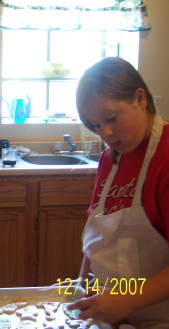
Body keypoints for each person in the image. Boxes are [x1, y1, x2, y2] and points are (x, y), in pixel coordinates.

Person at [67, 57, 169, 327]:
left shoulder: (165, 156)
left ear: (140, 98)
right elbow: (99, 235)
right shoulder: (110, 158)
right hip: (112, 317)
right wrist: (82, 285)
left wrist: (127, 301)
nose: (107, 133)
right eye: (95, 126)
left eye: (110, 118)